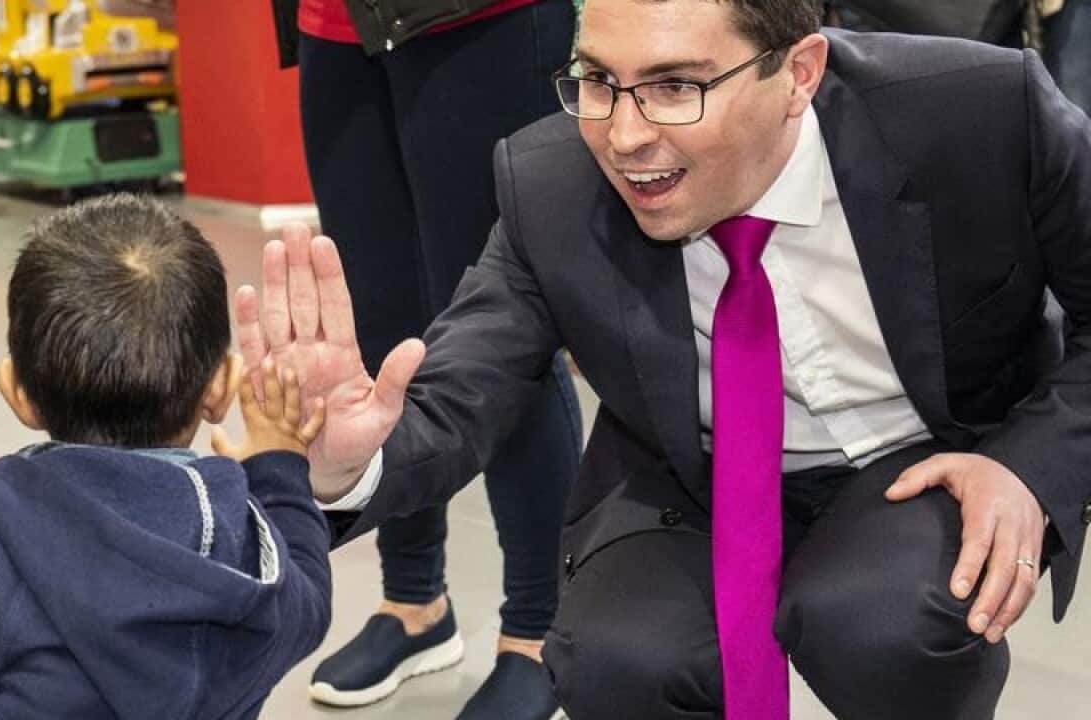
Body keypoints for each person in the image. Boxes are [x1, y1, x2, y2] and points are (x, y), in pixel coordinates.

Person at [235, 0, 1091, 716]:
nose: (624, 135)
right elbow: (462, 390)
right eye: (598, 81)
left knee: (880, 623)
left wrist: (1025, 466)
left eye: (676, 86)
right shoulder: (549, 182)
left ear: (799, 72)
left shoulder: (977, 111)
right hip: (692, 472)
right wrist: (347, 463)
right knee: (615, 657)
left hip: (919, 455)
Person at [0, 194, 331, 720]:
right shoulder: (246, 548)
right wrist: (279, 465)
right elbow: (307, 602)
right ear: (221, 386)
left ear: (17, 392)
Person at [282, 1, 584, 717]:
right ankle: (414, 602)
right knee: (376, 327)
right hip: (337, 23)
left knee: (502, 326)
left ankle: (540, 629)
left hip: (477, 19)